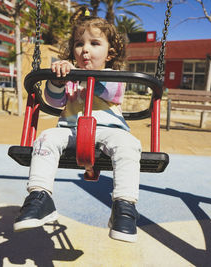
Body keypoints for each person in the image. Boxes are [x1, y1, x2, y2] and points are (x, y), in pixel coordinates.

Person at [13, 7, 141, 243]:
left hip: (110, 131)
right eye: (79, 43)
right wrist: (58, 79)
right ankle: (40, 197)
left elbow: (112, 92)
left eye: (94, 43)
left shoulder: (114, 76)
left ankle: (124, 207)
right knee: (45, 138)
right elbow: (54, 100)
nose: (85, 49)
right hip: (69, 131)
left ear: (110, 53)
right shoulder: (70, 76)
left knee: (129, 145)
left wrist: (80, 74)